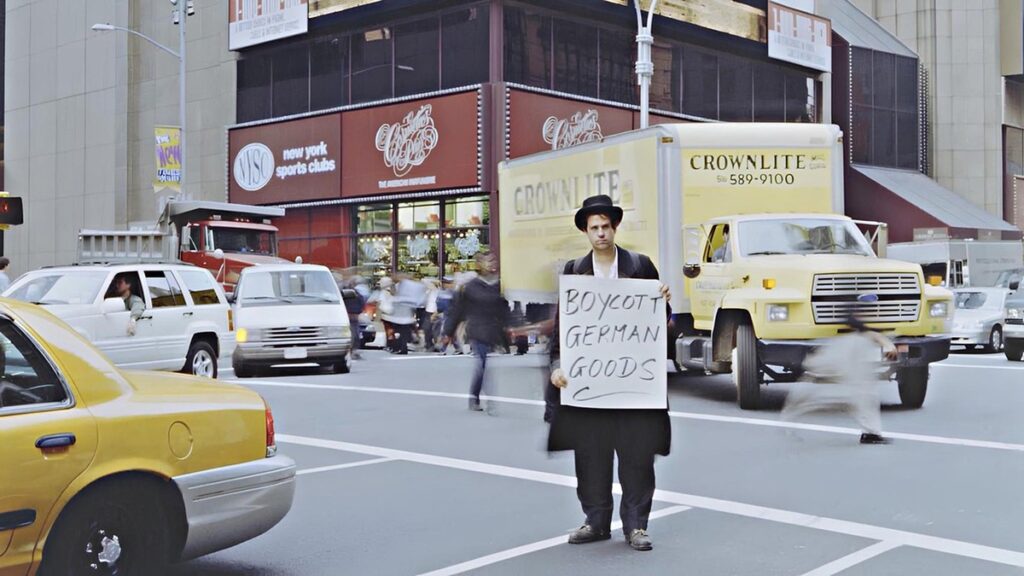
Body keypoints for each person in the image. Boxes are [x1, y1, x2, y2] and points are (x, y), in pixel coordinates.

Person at [548, 194, 672, 552]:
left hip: (632, 384)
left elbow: (663, 324)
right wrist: (557, 366)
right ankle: (596, 521)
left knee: (637, 456)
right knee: (590, 458)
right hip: (589, 386)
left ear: (615, 227)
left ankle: (636, 526)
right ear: (586, 232)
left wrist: (663, 302)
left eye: (606, 226)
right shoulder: (574, 271)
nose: (601, 233)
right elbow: (562, 331)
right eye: (594, 228)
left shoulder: (640, 265)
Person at [782, 315, 896, 445]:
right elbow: (871, 333)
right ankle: (870, 432)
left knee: (856, 391)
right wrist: (889, 346)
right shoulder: (864, 324)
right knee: (863, 392)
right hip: (849, 346)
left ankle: (870, 432)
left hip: (837, 346)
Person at [442, 252, 510, 411]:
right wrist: (448, 332)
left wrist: (512, 327)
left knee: (485, 364)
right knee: (482, 364)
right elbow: (457, 310)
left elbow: (504, 309)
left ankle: (476, 397)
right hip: (477, 329)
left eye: (493, 260)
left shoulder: (498, 285)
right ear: (479, 264)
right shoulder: (470, 286)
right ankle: (480, 399)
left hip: (492, 330)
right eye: (487, 261)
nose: (491, 264)